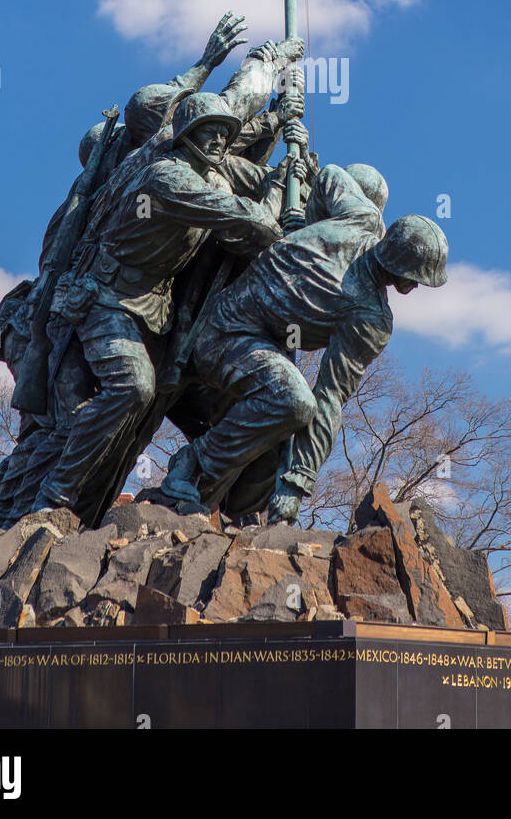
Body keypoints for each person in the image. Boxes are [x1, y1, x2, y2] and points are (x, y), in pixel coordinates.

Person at [29, 37, 307, 525]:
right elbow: (248, 221)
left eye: (224, 133)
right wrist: (269, 63)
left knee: (182, 406)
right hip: (108, 301)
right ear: (184, 136)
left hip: (155, 314)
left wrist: (284, 136)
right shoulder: (168, 178)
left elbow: (242, 183)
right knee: (131, 389)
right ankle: (54, 496)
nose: (221, 142)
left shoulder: (202, 168)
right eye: (210, 133)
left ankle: (209, 498)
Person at [158, 163, 448, 522]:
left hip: (254, 342)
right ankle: (191, 463)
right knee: (294, 402)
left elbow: (328, 175)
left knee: (276, 443)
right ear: (401, 267)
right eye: (416, 277)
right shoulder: (369, 317)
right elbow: (328, 398)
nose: (417, 286)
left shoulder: (362, 217)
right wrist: (298, 483)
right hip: (224, 332)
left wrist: (296, 477)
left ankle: (227, 510)